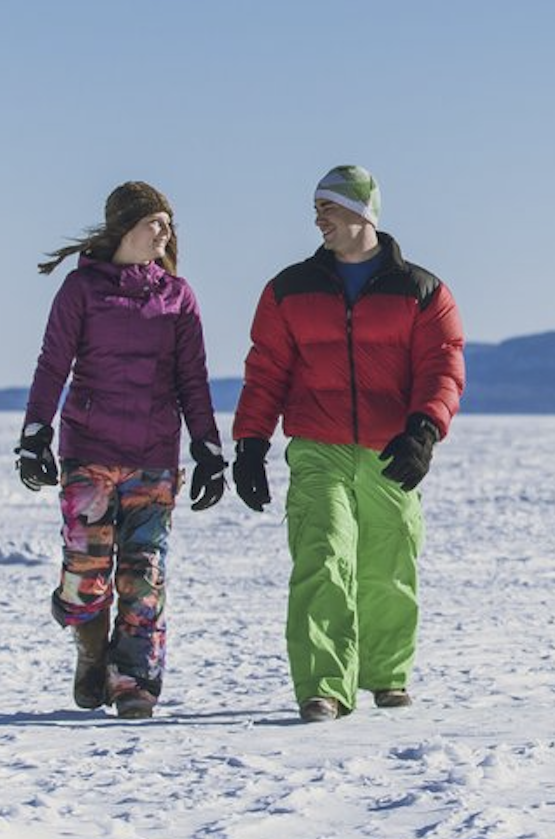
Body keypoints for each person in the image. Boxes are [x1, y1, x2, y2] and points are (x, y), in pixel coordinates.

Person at [231, 165, 465, 722]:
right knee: (322, 556)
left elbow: (442, 367)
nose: (318, 219)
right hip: (318, 444)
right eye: (316, 210)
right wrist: (249, 443)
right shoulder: (289, 289)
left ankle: (386, 675)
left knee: (388, 565)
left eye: (328, 208)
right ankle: (324, 687)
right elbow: (266, 371)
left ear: (363, 213)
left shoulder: (422, 290)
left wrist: (424, 429)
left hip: (391, 449)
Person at [14, 181, 226, 721]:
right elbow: (52, 365)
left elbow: (193, 380)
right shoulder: (80, 291)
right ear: (126, 227)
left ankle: (133, 680)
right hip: (89, 452)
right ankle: (90, 648)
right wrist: (36, 432)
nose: (166, 231)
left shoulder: (178, 296)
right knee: (86, 573)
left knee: (144, 573)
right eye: (156, 221)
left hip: (154, 456)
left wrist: (207, 448)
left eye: (169, 223)